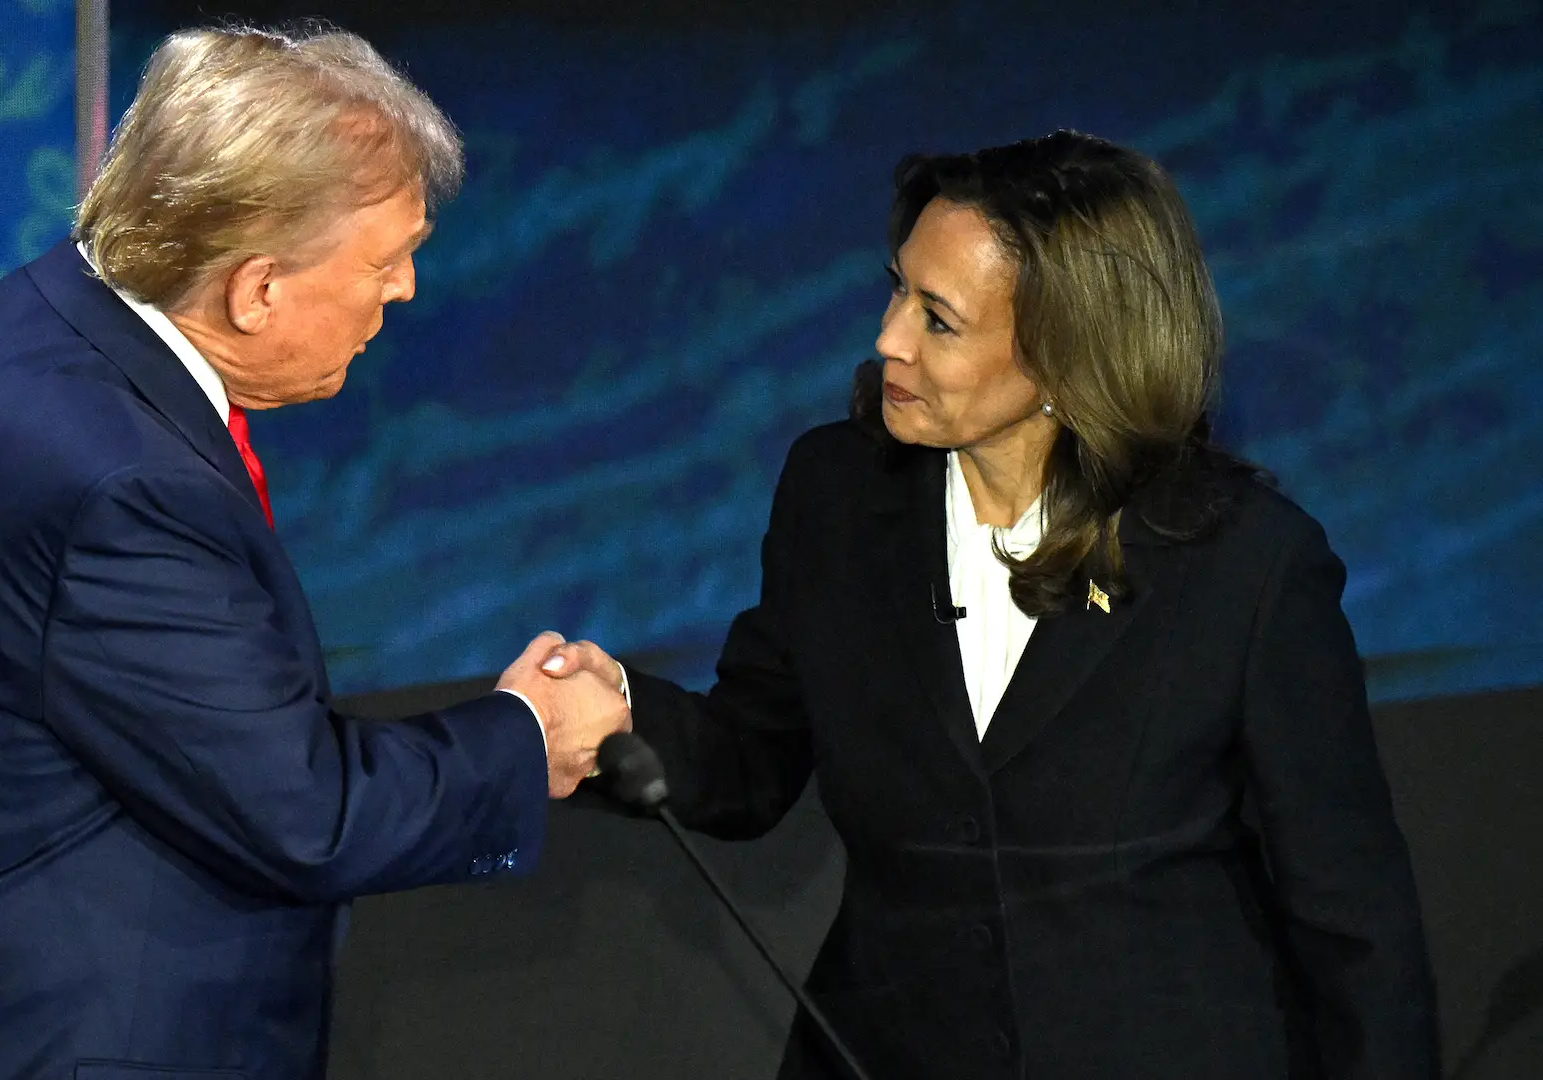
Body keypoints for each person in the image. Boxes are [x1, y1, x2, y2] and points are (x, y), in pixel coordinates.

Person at [0, 25, 628, 1080]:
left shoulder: (16, 332)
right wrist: (527, 734)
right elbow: (306, 813)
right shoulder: (123, 482)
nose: (402, 292)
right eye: (387, 262)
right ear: (255, 288)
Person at [543, 130, 1436, 1078]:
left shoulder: (1246, 564)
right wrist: (622, 719)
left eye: (939, 318)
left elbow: (1353, 921)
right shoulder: (838, 496)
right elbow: (753, 758)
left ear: (1064, 353)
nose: (888, 337)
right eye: (897, 288)